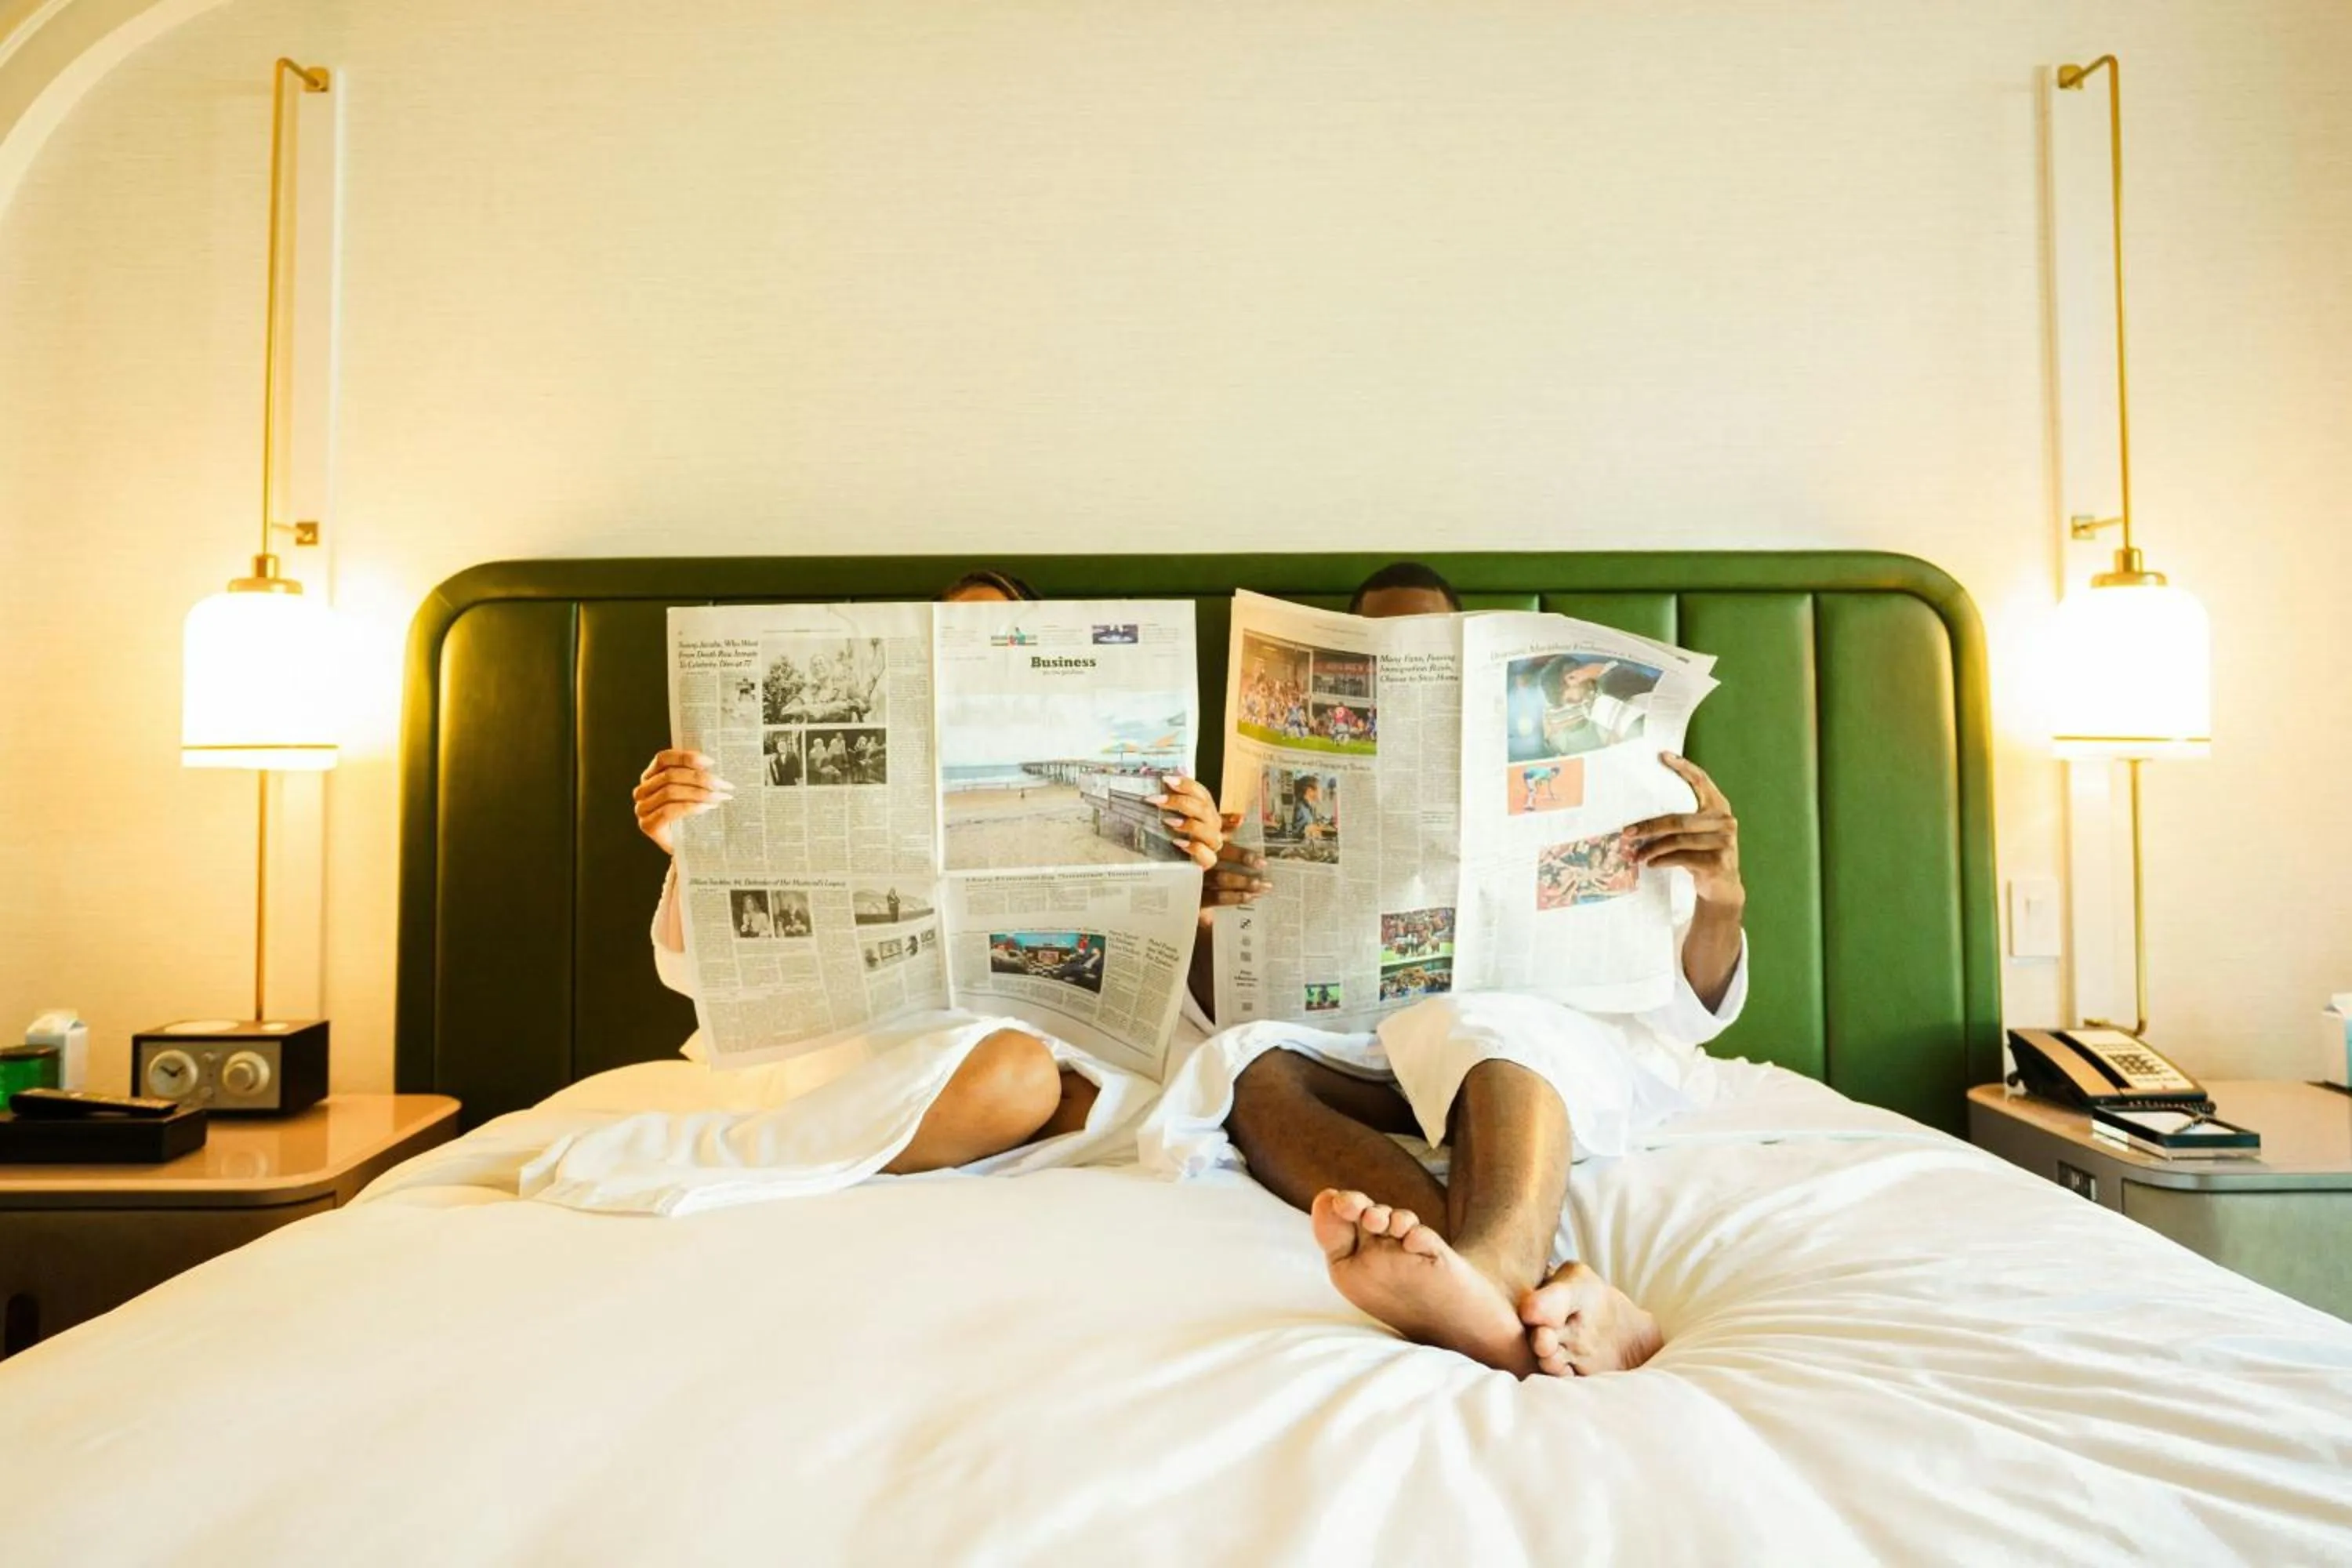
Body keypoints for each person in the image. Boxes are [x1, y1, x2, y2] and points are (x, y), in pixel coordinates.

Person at [1214, 560, 1748, 1379]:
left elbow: (1692, 1009)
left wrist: (1723, 898)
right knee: (1250, 1068)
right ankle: (1495, 1280)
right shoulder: (1274, 786)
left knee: (1492, 1027)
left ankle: (1495, 1274)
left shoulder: (1622, 787)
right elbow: (1223, 999)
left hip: (1532, 1050)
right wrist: (1218, 904)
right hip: (1377, 1052)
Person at [633, 566, 1229, 1178]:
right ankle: (784, 1154)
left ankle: (947, 1137)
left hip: (1042, 1034)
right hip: (880, 1042)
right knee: (1023, 1078)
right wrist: (689, 850)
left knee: (1115, 1098)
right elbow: (697, 976)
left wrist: (1190, 878)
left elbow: (1161, 977)